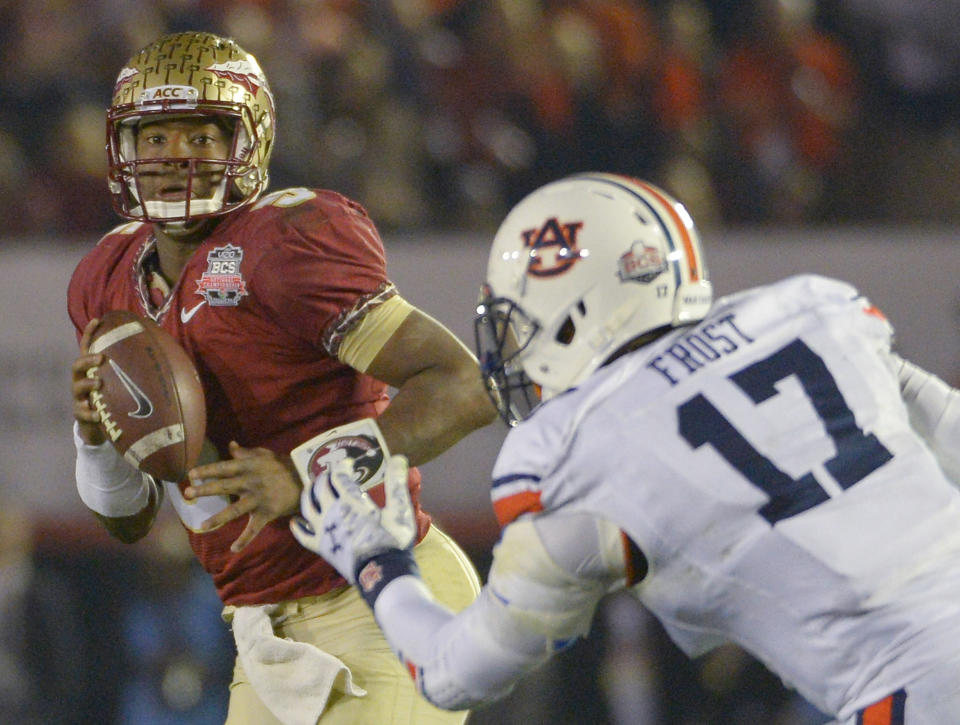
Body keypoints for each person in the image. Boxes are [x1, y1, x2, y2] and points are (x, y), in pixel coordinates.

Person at [292, 173, 960, 724]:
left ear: (574, 311)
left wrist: (374, 557)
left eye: (520, 328)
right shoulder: (811, 313)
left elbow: (454, 671)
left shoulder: (574, 450)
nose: (516, 356)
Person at [67, 31, 494, 725]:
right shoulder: (103, 282)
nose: (176, 157)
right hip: (262, 631)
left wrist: (308, 477)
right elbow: (128, 519)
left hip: (380, 597)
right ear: (123, 150)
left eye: (201, 136)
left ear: (248, 141)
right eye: (156, 137)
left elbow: (461, 384)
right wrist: (94, 438)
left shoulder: (286, 243)